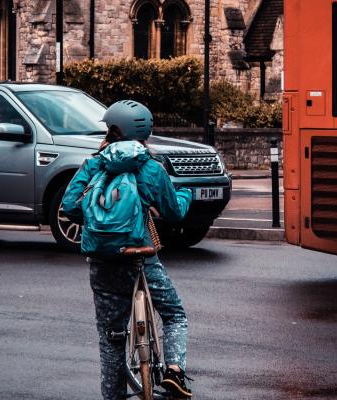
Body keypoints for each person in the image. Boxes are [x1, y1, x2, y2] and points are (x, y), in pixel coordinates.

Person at [61, 100, 194, 400]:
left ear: (111, 131)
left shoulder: (93, 163)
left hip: (102, 259)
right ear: (144, 131)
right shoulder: (150, 167)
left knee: (111, 339)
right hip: (140, 256)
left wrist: (99, 218)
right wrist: (184, 195)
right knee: (174, 314)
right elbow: (173, 213)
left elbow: (69, 206)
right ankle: (174, 371)